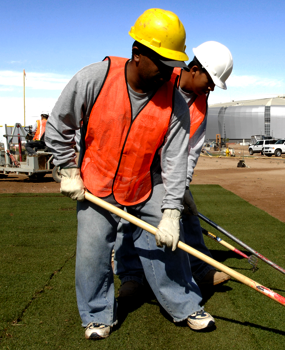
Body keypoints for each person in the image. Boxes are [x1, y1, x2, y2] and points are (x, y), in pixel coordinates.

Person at [45, 8, 213, 340]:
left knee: (169, 242)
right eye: (163, 65)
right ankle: (97, 315)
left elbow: (177, 160)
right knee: (93, 250)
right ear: (138, 54)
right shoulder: (95, 78)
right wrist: (66, 169)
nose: (169, 74)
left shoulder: (175, 102)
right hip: (96, 180)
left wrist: (171, 210)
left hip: (144, 182)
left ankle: (185, 303)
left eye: (173, 66)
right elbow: (59, 125)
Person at [115, 41, 234, 290]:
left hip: (170, 169)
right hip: (138, 164)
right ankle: (131, 275)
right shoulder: (162, 80)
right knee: (129, 218)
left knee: (187, 216)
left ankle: (200, 267)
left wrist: (183, 186)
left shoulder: (202, 103)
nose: (212, 88)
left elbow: (192, 150)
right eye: (210, 80)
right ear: (194, 69)